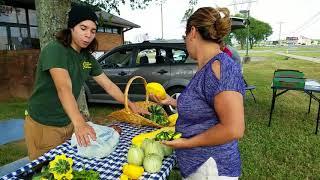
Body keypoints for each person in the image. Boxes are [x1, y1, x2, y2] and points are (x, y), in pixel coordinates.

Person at [24, 5, 147, 160]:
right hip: (45, 124)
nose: (88, 35)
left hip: (68, 121)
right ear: (71, 28)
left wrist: (131, 104)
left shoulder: (87, 58)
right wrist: (80, 123)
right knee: (46, 172)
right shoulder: (55, 50)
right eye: (83, 28)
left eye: (93, 31)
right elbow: (64, 88)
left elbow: (108, 85)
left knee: (70, 166)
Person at [152, 7, 245, 179]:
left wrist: (187, 143)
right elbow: (203, 104)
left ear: (192, 32)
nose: (185, 43)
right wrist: (170, 101)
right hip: (200, 167)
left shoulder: (220, 67)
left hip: (212, 169)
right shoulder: (207, 67)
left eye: (185, 37)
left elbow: (234, 129)